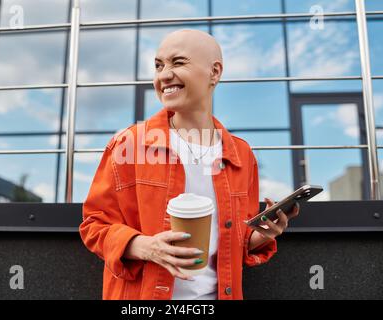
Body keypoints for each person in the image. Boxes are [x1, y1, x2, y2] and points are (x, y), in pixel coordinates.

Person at [80, 29, 300, 300]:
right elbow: (94, 225)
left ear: (214, 72)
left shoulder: (241, 154)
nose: (163, 75)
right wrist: (145, 247)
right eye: (159, 65)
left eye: (178, 62)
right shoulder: (130, 143)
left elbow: (228, 244)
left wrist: (259, 237)